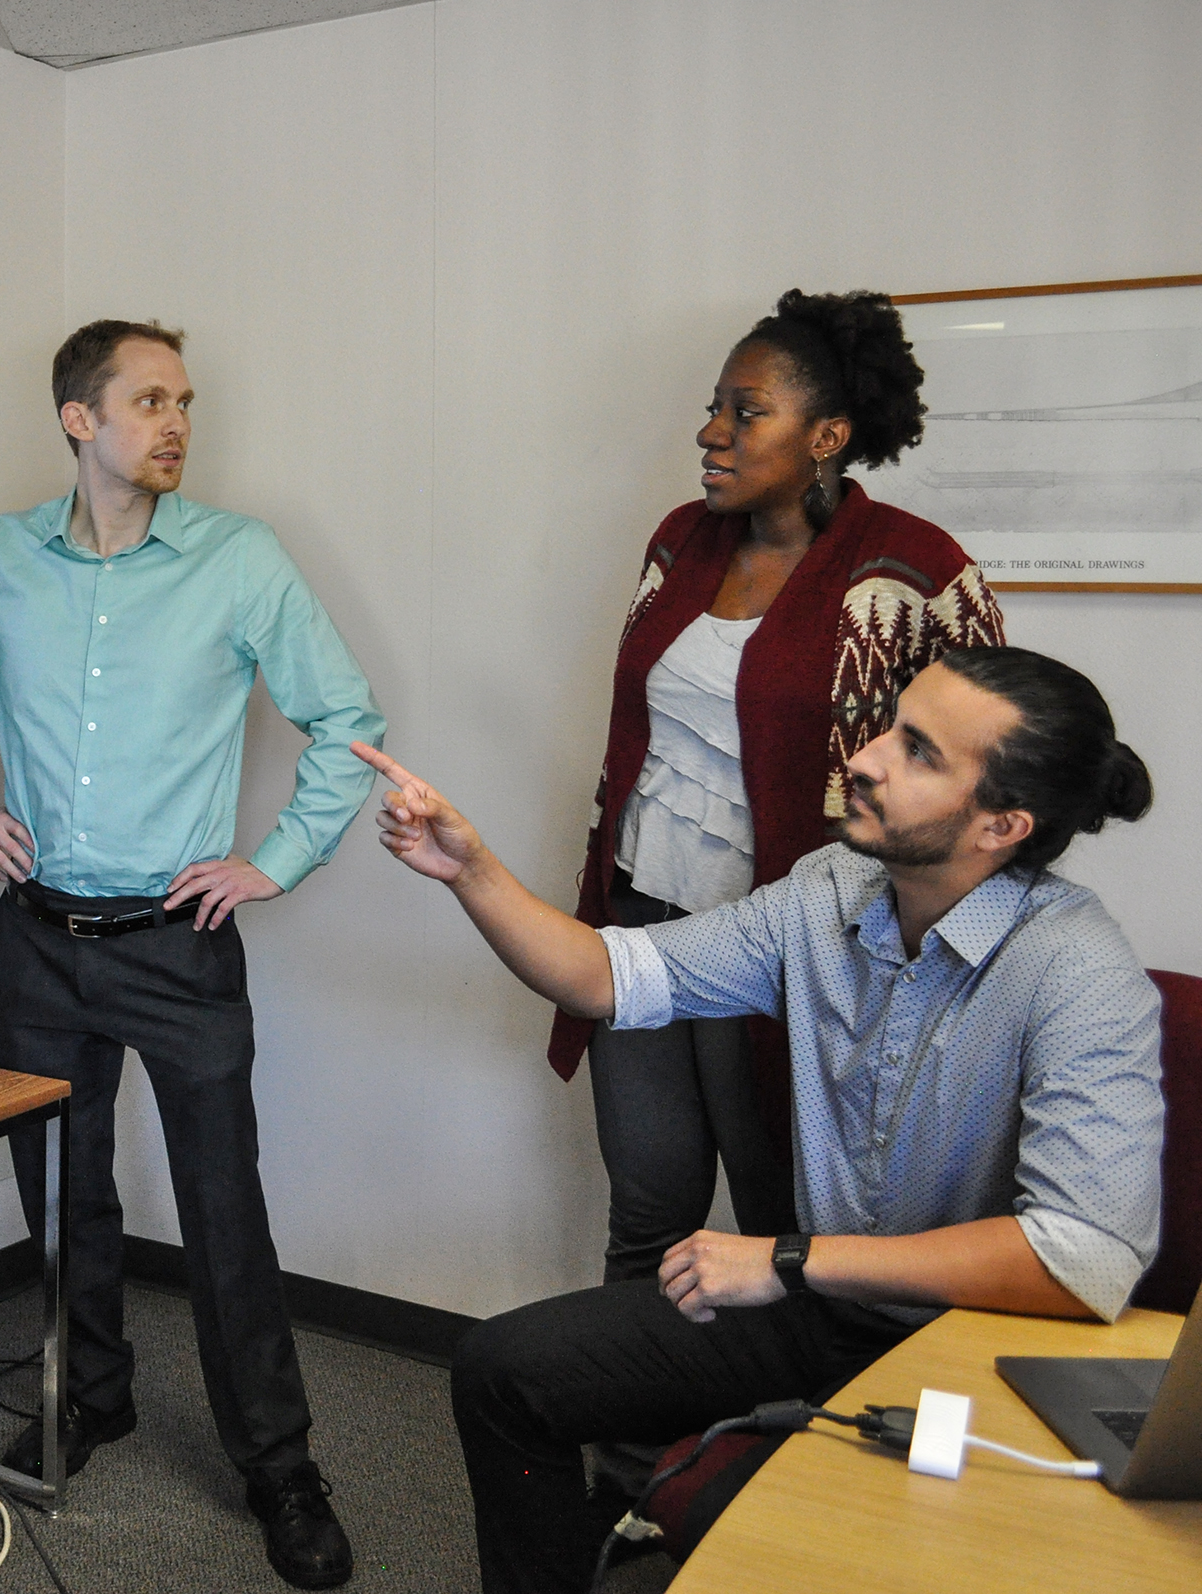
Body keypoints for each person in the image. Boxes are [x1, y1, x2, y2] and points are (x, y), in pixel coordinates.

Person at [354, 645, 1161, 1594]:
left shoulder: (1080, 969)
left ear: (1002, 825)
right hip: (821, 1307)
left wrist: (787, 1259)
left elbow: (1088, 1254)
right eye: (890, 728)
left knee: (780, 1548)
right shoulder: (829, 891)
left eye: (918, 753)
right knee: (503, 1371)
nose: (865, 758)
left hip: (964, 1343)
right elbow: (609, 976)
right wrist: (471, 870)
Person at [0, 318, 385, 1590]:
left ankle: (280, 1465)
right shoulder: (4, 557)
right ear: (79, 418)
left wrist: (274, 860)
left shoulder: (241, 559)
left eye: (186, 403)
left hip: (180, 945)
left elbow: (346, 719)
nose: (175, 424)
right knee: (65, 1195)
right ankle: (89, 1396)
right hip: (39, 941)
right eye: (149, 400)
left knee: (225, 1215)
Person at [559, 290, 1006, 1294]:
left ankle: (772, 1447)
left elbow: (993, 763)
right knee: (648, 1205)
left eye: (745, 411)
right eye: (715, 407)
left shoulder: (915, 570)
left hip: (791, 945)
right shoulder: (680, 542)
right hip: (640, 922)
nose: (711, 432)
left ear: (826, 435)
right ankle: (627, 1445)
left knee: (784, 1219)